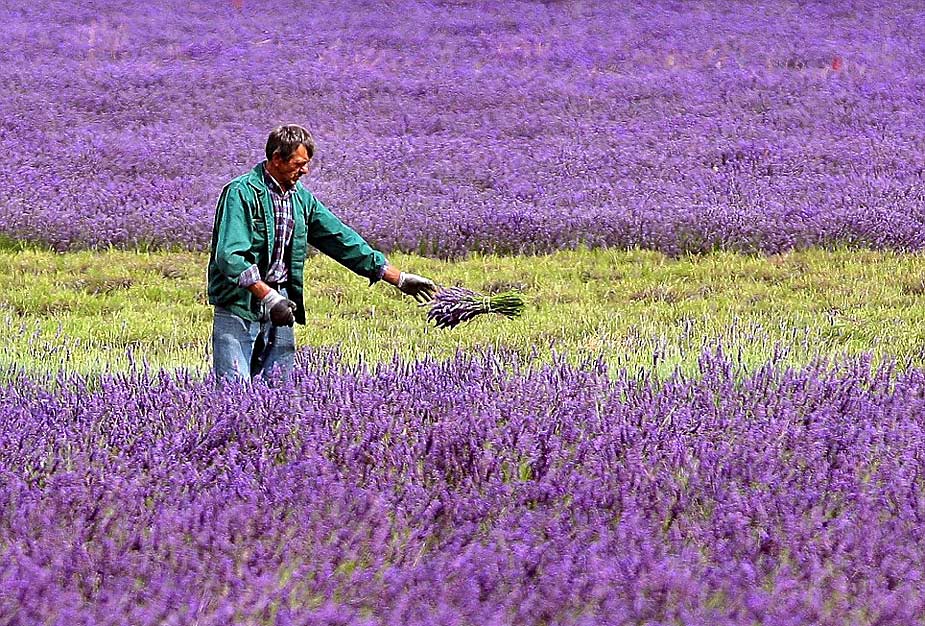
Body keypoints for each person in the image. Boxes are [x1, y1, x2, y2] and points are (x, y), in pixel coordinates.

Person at [207, 124, 437, 381]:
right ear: (276, 159)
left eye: (307, 163)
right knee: (232, 388)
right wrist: (268, 297)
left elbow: (340, 239)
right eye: (298, 163)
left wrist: (398, 278)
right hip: (240, 302)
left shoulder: (300, 199)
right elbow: (230, 256)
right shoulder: (241, 193)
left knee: (279, 392)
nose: (304, 170)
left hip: (281, 300)